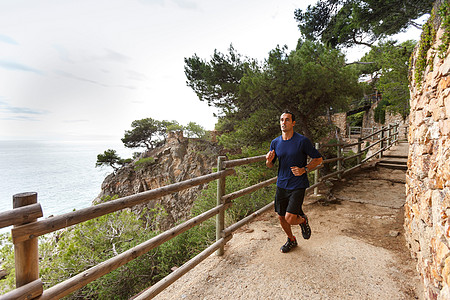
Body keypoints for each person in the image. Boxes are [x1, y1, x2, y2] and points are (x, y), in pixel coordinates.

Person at [266, 110, 323, 253]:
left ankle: (303, 220)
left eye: (287, 120)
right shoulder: (275, 142)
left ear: (293, 123)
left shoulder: (302, 141)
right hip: (281, 184)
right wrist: (268, 160)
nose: (283, 122)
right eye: (281, 120)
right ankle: (291, 239)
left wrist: (304, 169)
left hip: (298, 184)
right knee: (281, 217)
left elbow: (318, 159)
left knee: (290, 218)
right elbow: (270, 165)